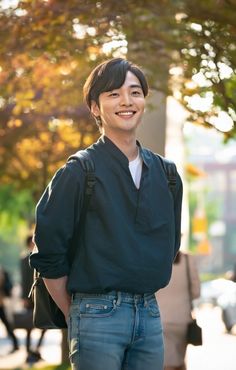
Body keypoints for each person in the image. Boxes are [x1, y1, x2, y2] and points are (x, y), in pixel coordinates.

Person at [30, 57, 183, 370]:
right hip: (95, 313)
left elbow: (170, 247)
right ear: (95, 108)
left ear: (143, 101)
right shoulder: (78, 171)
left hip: (151, 313)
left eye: (135, 92)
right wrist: (77, 311)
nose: (126, 101)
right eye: (113, 94)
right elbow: (47, 253)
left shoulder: (168, 175)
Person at [156, 251, 201, 370]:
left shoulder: (155, 258)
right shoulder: (188, 259)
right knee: (179, 360)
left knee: (164, 360)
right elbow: (196, 292)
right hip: (181, 319)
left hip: (159, 318)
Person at [20, 235, 46, 363]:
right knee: (28, 326)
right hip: (30, 296)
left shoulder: (40, 256)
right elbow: (24, 280)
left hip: (39, 295)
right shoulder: (25, 259)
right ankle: (29, 352)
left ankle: (36, 349)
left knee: (44, 324)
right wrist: (24, 297)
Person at [0, 266, 19, 354]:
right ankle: (16, 344)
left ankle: (16, 344)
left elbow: (5, 284)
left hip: (1, 302)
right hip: (1, 301)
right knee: (7, 324)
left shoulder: (2, 271)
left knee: (7, 324)